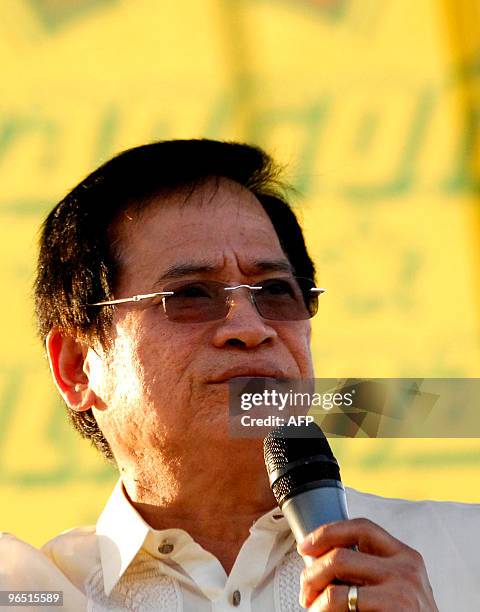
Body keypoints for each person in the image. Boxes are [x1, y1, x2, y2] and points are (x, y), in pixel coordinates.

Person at [1, 139, 478, 611]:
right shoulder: (33, 594)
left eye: (275, 291)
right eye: (189, 295)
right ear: (77, 367)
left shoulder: (464, 553)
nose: (251, 329)